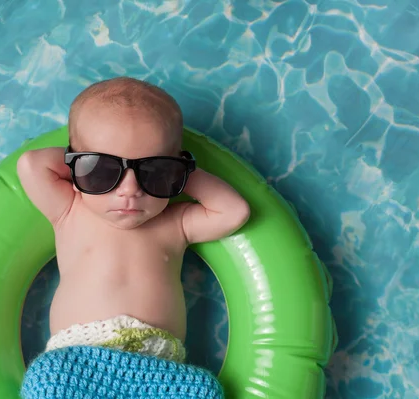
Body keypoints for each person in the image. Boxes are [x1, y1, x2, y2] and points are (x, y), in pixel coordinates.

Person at [17, 77, 250, 398]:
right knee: (46, 377)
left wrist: (182, 171)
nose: (130, 190)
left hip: (159, 366)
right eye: (101, 170)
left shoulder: (176, 223)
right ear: (75, 167)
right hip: (79, 364)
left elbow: (234, 211)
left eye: (154, 172)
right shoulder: (69, 210)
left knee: (205, 389)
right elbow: (31, 165)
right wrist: (85, 157)